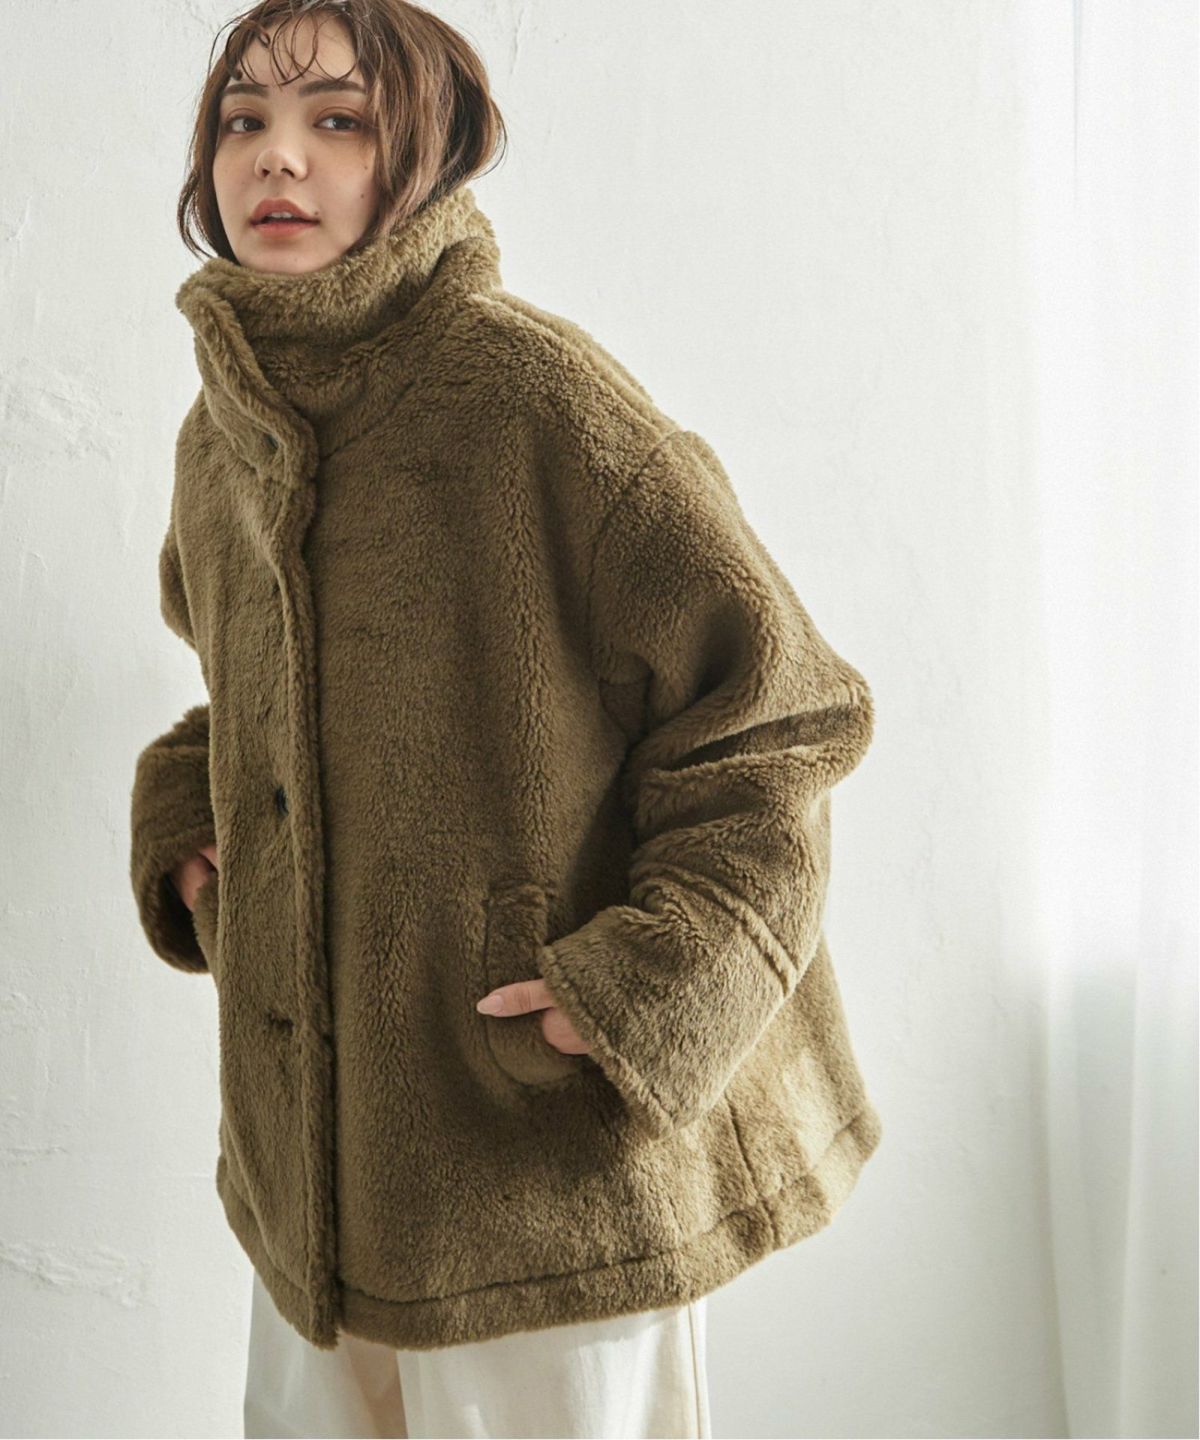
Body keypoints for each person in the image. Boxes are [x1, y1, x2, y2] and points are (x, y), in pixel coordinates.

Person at [128, 1, 883, 1435]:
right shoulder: (222, 439)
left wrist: (641, 990)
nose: (277, 156)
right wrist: (190, 830)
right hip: (316, 1195)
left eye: (338, 120)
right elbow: (242, 699)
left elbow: (780, 715)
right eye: (243, 120)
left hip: (545, 1178)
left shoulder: (535, 396)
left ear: (426, 152)